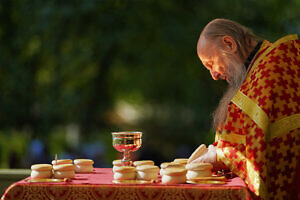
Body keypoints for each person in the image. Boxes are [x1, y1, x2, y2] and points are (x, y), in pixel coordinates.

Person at [189, 18, 300, 200]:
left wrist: (221, 156)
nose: (214, 75)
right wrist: (218, 150)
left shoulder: (273, 68)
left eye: (211, 64)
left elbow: (273, 149)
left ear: (229, 43)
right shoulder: (254, 73)